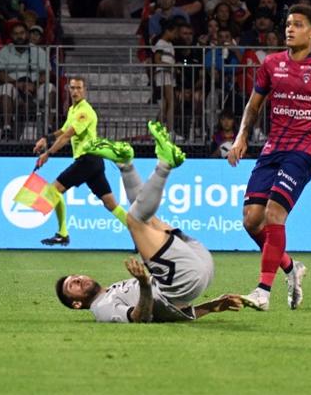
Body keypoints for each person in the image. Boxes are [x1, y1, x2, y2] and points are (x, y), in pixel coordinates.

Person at [227, 5, 311, 311]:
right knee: (251, 221)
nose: (289, 29)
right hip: (272, 149)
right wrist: (241, 136)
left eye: (297, 24)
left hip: (304, 150)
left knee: (274, 215)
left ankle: (262, 291)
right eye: (287, 24)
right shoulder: (271, 64)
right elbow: (254, 105)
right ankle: (291, 268)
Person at [56, 121, 244, 323]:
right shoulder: (102, 308)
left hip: (196, 266)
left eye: (75, 276)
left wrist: (211, 306)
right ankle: (162, 165)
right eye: (72, 285)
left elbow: (165, 313)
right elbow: (140, 318)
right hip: (183, 278)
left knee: (146, 220)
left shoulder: (112, 289)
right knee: (135, 220)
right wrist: (145, 284)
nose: (78, 279)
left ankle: (125, 164)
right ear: (76, 304)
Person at [33, 76, 134, 246]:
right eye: (72, 88)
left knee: (53, 190)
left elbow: (67, 136)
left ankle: (62, 233)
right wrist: (46, 137)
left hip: (87, 161)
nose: (75, 91)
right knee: (111, 204)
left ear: (85, 90)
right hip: (94, 163)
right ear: (68, 89)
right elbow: (63, 130)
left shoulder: (84, 111)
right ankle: (140, 236)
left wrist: (48, 153)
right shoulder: (73, 109)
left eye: (79, 88)